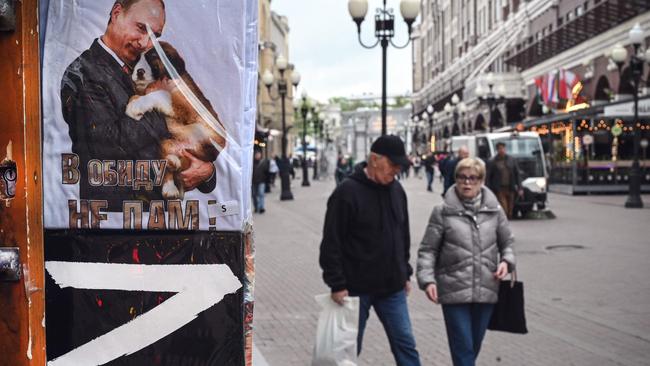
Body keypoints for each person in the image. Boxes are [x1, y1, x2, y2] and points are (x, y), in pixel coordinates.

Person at [60, 0, 215, 211]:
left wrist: (206, 172)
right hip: (113, 223)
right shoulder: (83, 73)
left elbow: (198, 122)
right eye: (141, 28)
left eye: (155, 36)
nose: (145, 43)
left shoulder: (148, 68)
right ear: (116, 13)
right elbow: (106, 147)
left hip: (161, 221)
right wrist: (161, 104)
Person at [319, 135, 421, 366]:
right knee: (347, 350)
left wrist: (405, 271)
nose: (396, 170)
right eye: (392, 164)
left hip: (393, 286)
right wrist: (337, 283)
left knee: (406, 344)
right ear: (375, 159)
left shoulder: (397, 190)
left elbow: (402, 235)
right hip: (355, 289)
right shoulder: (346, 192)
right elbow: (331, 242)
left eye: (399, 166)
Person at [416, 157, 516, 366]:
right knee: (463, 348)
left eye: (473, 178)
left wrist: (506, 261)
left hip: (486, 287)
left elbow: (507, 242)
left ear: (482, 181)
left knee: (473, 346)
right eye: (462, 177)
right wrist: (428, 280)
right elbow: (428, 250)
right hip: (454, 290)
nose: (467, 183)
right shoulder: (442, 212)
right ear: (456, 179)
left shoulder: (495, 210)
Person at [486, 142, 523, 219]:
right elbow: (488, 176)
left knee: (510, 208)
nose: (501, 150)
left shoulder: (511, 160)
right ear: (497, 150)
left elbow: (517, 174)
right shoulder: (493, 162)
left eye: (503, 148)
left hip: (510, 187)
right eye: (500, 149)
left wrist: (520, 188)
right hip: (500, 188)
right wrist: (488, 189)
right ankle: (504, 219)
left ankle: (508, 216)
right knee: (504, 207)